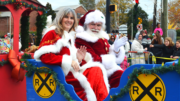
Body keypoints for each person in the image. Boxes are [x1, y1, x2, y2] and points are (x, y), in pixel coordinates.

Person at [34, 8, 109, 101]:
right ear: (60, 18)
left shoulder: (68, 36)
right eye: (66, 17)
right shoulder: (52, 33)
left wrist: (78, 59)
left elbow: (72, 61)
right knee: (95, 74)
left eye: (72, 18)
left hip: (71, 73)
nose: (69, 20)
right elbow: (44, 56)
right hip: (61, 76)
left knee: (96, 69)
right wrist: (69, 61)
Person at [75, 10, 127, 89]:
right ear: (87, 24)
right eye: (92, 24)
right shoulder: (82, 39)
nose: (96, 28)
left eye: (98, 25)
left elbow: (109, 51)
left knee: (126, 78)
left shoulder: (102, 37)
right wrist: (111, 61)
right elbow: (92, 58)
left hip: (107, 70)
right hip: (94, 72)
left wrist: (116, 49)